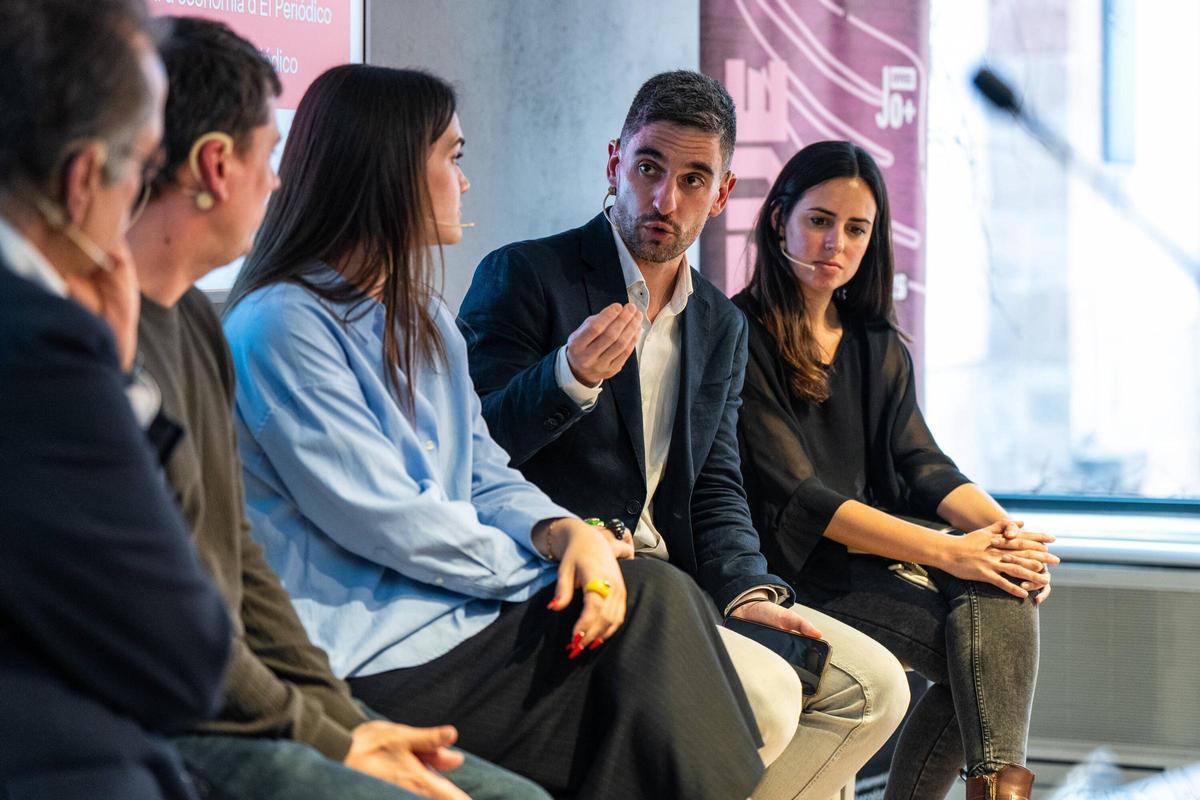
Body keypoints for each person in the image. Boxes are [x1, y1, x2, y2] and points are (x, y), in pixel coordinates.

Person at [222, 64, 766, 800]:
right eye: (451, 157)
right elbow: (385, 517)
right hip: (374, 650)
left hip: (459, 619)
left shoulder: (424, 321)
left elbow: (482, 470)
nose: (464, 180)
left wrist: (562, 535)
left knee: (655, 651)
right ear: (387, 171)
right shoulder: (282, 323)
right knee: (656, 621)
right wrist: (556, 568)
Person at [458, 70, 909, 800]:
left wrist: (748, 589)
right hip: (576, 572)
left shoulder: (719, 324)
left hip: (690, 585)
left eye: (694, 179)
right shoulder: (525, 275)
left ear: (723, 194)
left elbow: (717, 483)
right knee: (768, 695)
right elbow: (472, 454)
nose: (665, 200)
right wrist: (567, 377)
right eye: (649, 169)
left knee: (878, 689)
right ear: (615, 163)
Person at [130, 18, 547, 800]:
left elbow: (239, 573)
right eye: (269, 156)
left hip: (293, 673)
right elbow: (374, 517)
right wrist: (329, 727)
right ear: (216, 165)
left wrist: (332, 719)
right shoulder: (265, 323)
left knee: (653, 616)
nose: (281, 183)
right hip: (178, 710)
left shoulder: (189, 320)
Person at [731, 140, 1057, 800]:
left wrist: (1006, 536)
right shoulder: (738, 333)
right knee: (984, 665)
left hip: (868, 560)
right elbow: (801, 497)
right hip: (789, 566)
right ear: (779, 220)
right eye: (820, 220)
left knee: (1005, 594)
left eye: (856, 229)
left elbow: (921, 463)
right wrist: (948, 552)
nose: (836, 244)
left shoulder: (874, 340)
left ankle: (992, 789)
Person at [0, 2, 232, 798]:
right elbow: (180, 655)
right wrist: (112, 379)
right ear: (79, 180)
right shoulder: (40, 347)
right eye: (139, 163)